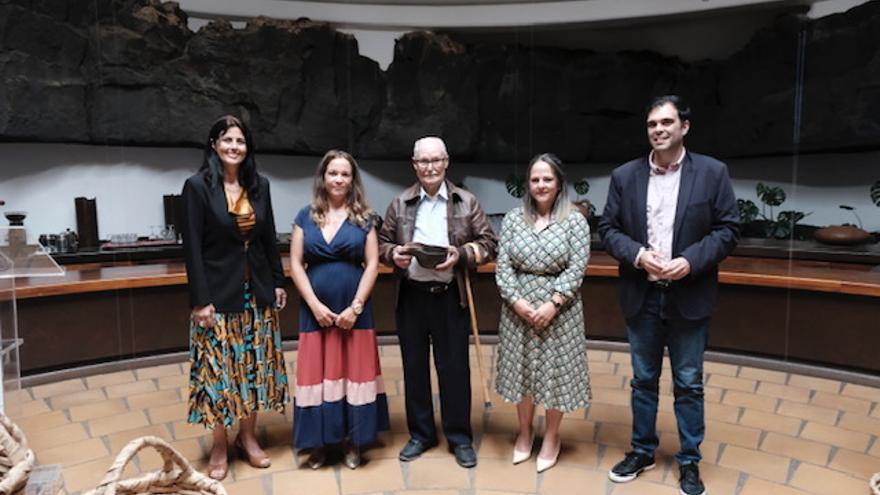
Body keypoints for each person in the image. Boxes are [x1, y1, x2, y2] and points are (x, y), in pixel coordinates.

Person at [598, 95, 739, 495]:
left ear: (684, 127)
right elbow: (608, 229)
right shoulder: (625, 176)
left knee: (689, 382)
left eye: (666, 122)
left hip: (689, 294)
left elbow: (728, 229)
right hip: (641, 294)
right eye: (652, 124)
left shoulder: (712, 173)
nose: (658, 130)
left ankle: (690, 460)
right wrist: (639, 255)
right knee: (643, 380)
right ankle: (642, 450)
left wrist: (690, 261)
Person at [181, 115, 290, 481]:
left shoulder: (260, 186)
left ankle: (247, 437)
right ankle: (219, 444)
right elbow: (193, 249)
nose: (234, 147)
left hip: (256, 292)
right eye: (227, 140)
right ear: (214, 144)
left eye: (240, 141)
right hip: (217, 296)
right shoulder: (197, 187)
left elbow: (268, 238)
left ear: (248, 148)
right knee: (219, 372)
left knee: (255, 368)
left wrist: (277, 281)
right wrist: (200, 300)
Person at [378, 136, 497, 468]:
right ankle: (421, 434)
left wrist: (460, 255)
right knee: (414, 368)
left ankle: (459, 437)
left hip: (449, 298)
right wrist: (394, 255)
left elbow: (488, 243)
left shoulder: (466, 202)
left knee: (454, 370)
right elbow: (383, 242)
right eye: (423, 161)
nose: (429, 167)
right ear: (414, 164)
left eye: (435, 160)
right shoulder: (399, 203)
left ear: (447, 162)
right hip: (412, 297)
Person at [289, 150, 389, 469]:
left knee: (354, 373)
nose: (339, 179)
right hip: (315, 313)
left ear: (352, 180)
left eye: (345, 174)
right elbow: (295, 263)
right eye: (333, 173)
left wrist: (355, 307)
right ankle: (319, 443)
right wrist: (315, 305)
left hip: (354, 311)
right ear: (323, 177)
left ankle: (353, 441)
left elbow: (372, 263)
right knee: (318, 373)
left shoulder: (366, 218)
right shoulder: (305, 216)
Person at [494, 153, 591, 473]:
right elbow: (503, 265)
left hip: (560, 313)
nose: (540, 185)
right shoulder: (512, 219)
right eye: (535, 179)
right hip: (517, 311)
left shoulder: (575, 220)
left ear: (559, 182)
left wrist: (553, 302)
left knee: (554, 375)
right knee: (523, 373)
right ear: (528, 184)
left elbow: (577, 267)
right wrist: (518, 302)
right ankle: (524, 433)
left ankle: (551, 437)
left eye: (547, 179)